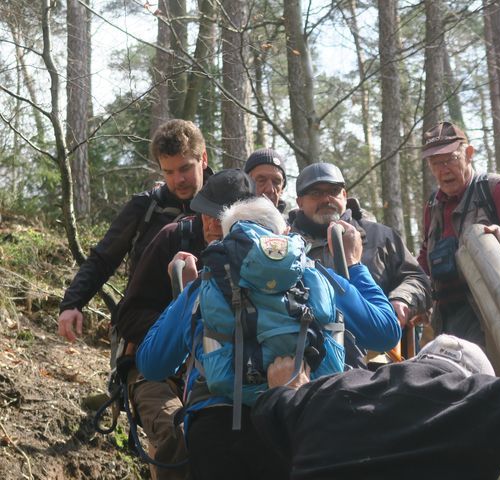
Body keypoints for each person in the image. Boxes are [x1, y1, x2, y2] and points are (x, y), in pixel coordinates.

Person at [136, 196, 398, 480]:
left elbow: (152, 364)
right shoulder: (313, 273)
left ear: (228, 240)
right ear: (284, 233)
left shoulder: (208, 282)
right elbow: (385, 332)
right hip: (302, 424)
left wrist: (184, 294)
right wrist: (354, 264)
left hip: (220, 430)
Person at [252, 334, 500, 480]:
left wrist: (286, 388)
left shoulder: (332, 388)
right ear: (473, 376)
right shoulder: (478, 402)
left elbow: (270, 410)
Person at [114, 169, 256, 479]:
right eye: (204, 213)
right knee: (175, 435)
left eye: (218, 216)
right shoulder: (173, 237)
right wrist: (182, 318)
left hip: (234, 378)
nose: (209, 224)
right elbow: (129, 315)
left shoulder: (273, 263)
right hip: (160, 375)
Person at [58, 119, 212, 342]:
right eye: (169, 172)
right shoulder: (145, 209)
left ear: (203, 159)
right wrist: (72, 303)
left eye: (185, 168)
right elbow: (103, 259)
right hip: (145, 333)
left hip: (211, 333)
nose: (178, 179)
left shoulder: (225, 206)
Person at [417, 121, 500, 347]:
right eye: (435, 163)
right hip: (445, 318)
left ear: (469, 154)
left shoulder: (495, 187)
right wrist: (415, 292)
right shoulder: (433, 205)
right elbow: (424, 259)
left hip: (495, 314)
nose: (443, 170)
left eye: (450, 160)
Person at [289, 162, 430, 363]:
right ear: (300, 202)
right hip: (310, 363)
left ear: (344, 196)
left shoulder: (380, 236)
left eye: (334, 191)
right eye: (315, 193)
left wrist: (402, 299)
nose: (326, 199)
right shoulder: (288, 247)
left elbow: (417, 278)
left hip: (381, 365)